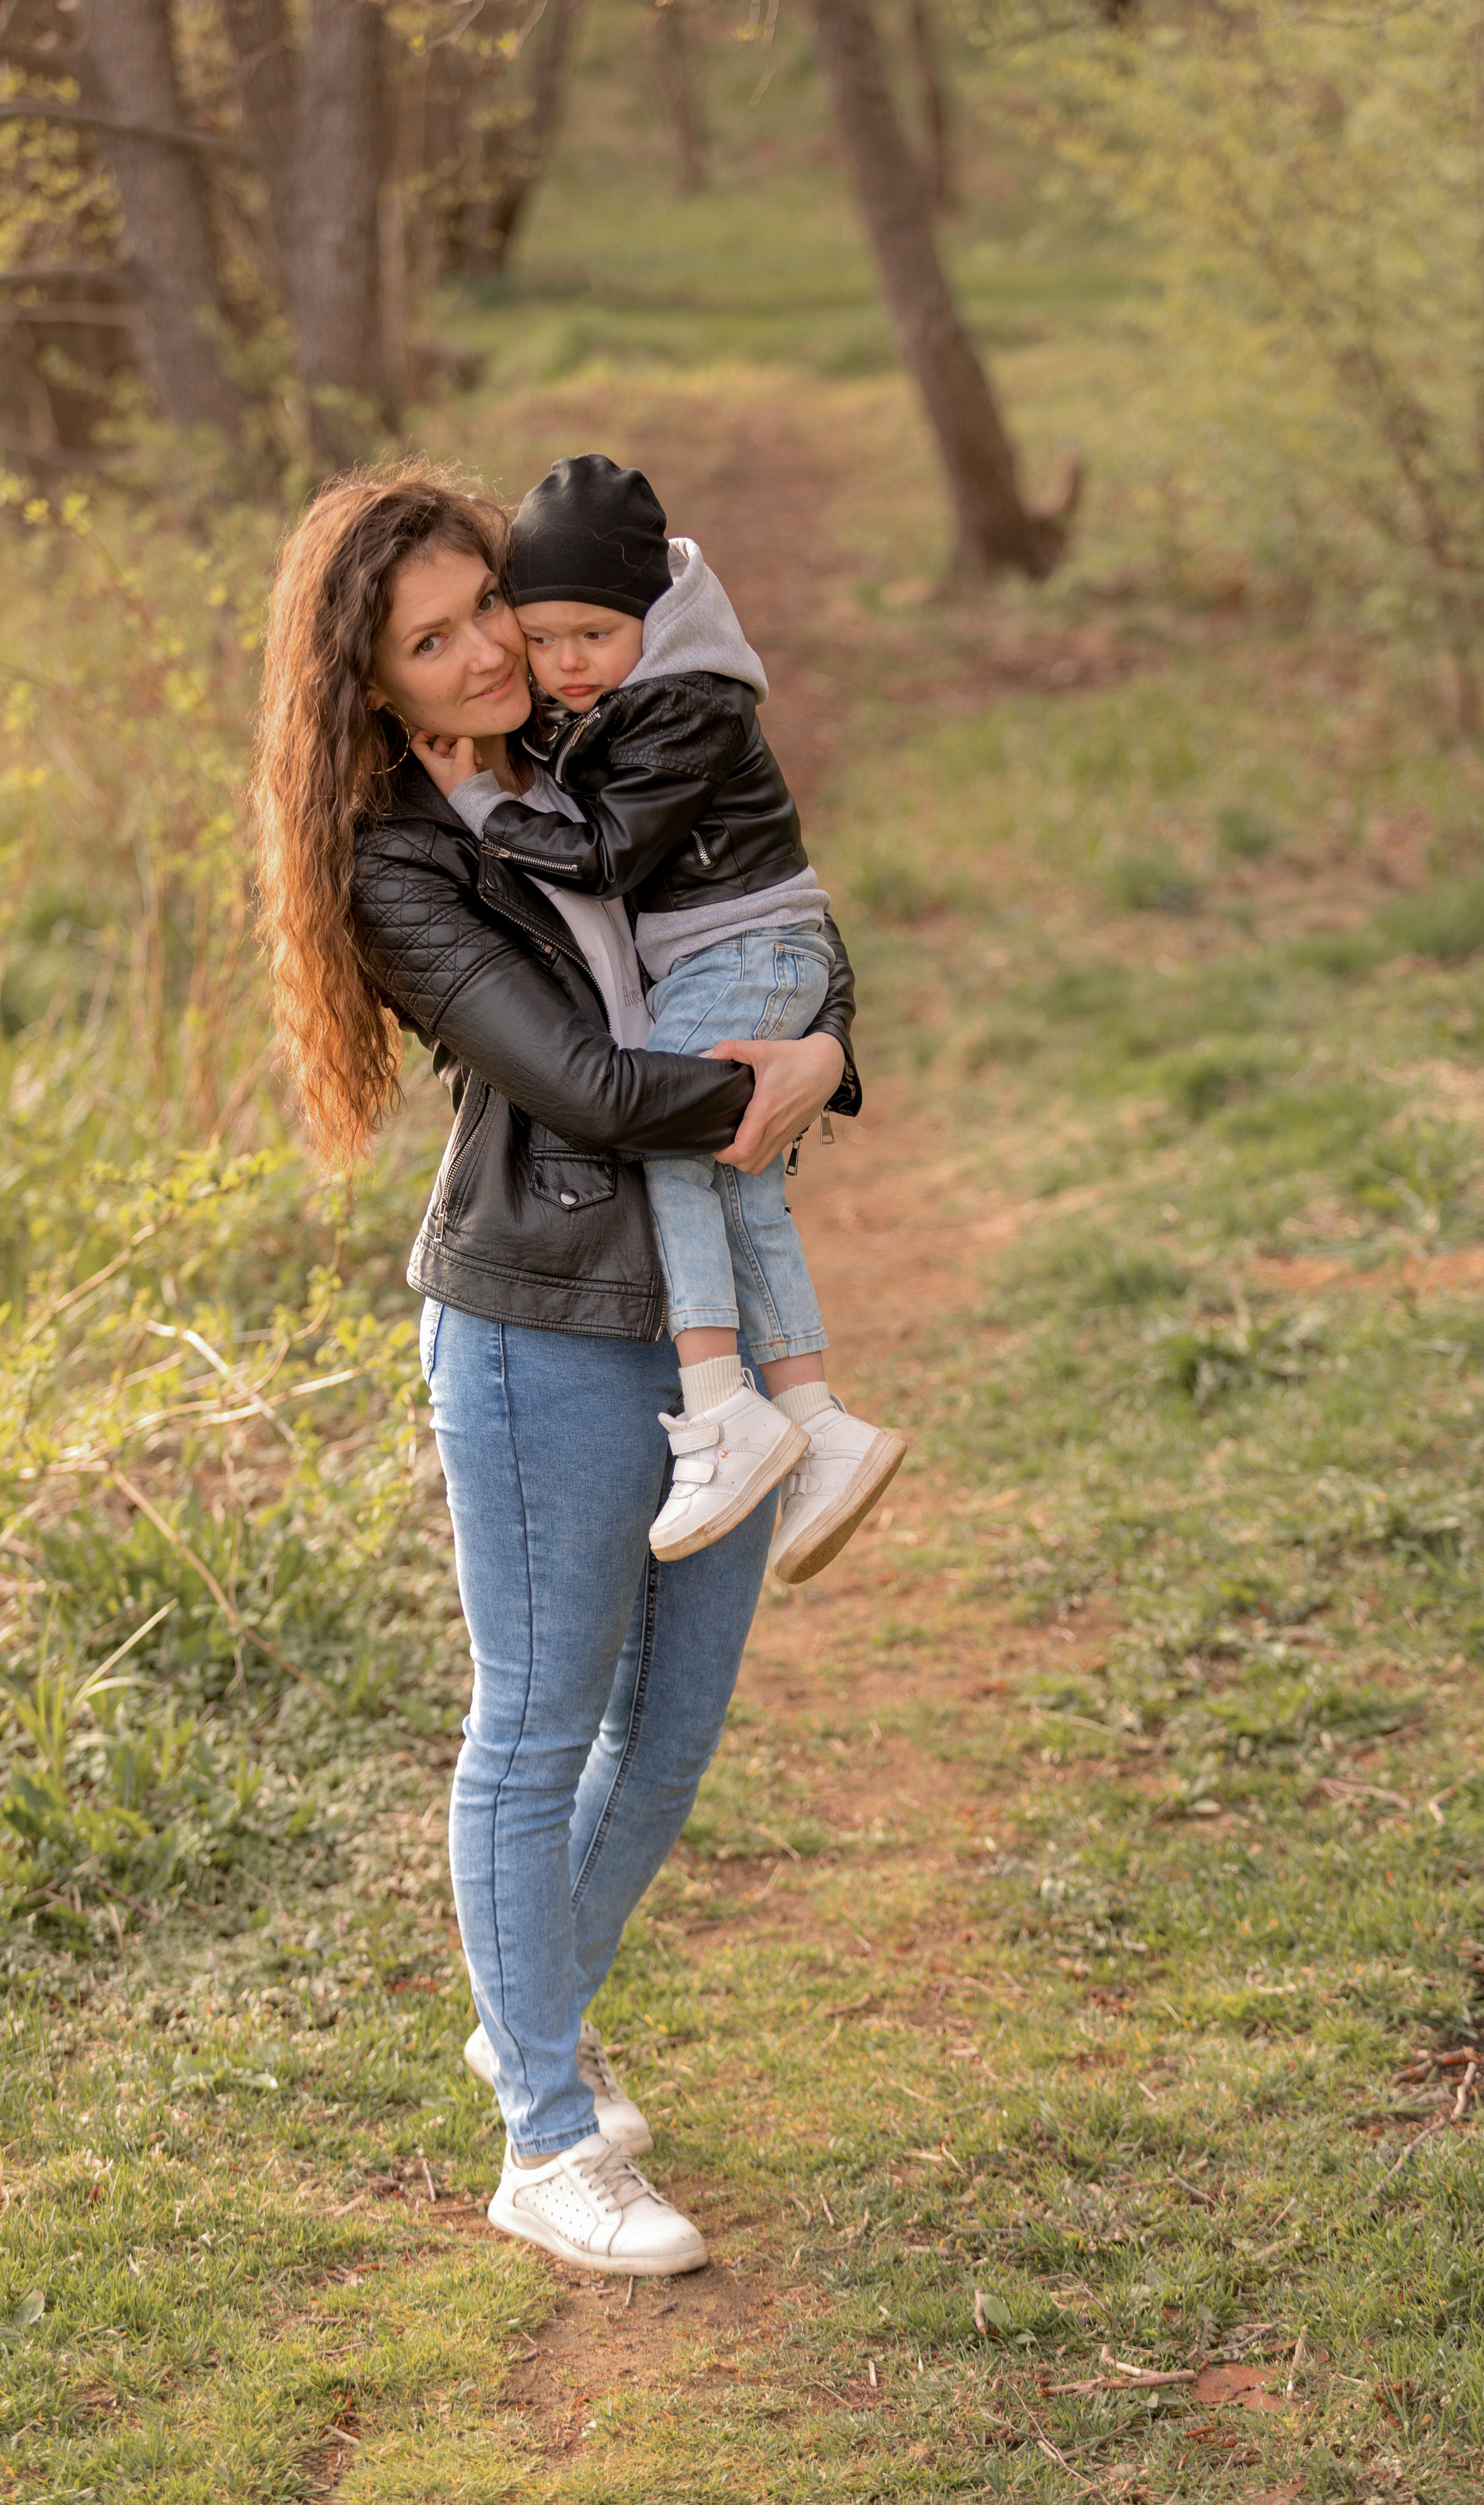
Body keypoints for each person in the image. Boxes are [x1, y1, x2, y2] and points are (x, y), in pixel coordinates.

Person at [252, 459, 859, 2278]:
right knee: (536, 1731)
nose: (475, 659)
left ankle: (531, 2012)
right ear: (369, 681)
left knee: (669, 1739)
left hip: (705, 1307)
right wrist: (784, 1081)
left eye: (482, 612)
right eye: (424, 646)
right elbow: (590, 1084)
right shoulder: (397, 862)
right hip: (538, 1320)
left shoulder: (612, 743)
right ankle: (542, 2133)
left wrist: (828, 1030)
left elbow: (769, 915)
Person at [409, 453, 907, 1585]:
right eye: (544, 638)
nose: (558, 663)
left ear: (653, 615)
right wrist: (816, 1065)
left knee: (692, 1153)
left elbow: (601, 852)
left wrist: (480, 801)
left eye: (591, 634)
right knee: (734, 1175)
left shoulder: (682, 702)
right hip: (736, 957)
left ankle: (723, 1402)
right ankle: (818, 1419)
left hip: (744, 950)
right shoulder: (604, 703)